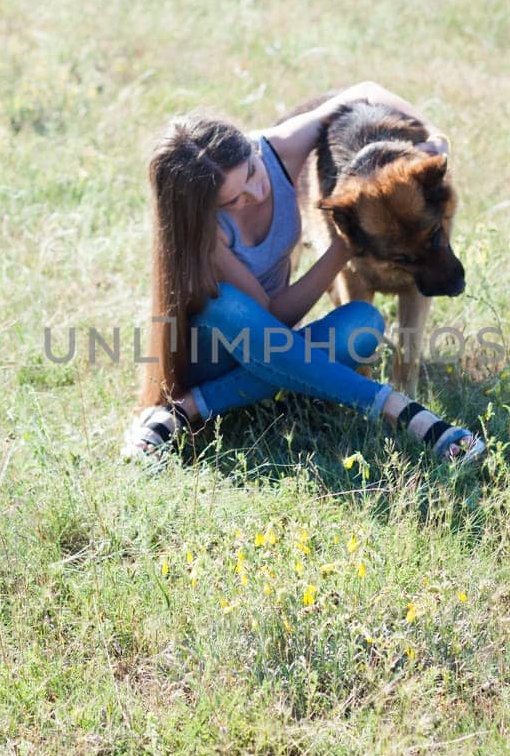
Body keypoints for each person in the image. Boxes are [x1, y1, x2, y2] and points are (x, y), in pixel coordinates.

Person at [120, 81, 488, 468]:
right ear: (207, 206)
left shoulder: (277, 151)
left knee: (363, 322)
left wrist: (435, 137)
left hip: (275, 348)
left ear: (251, 148)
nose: (256, 192)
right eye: (235, 199)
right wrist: (343, 248)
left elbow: (363, 91)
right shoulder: (207, 228)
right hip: (220, 352)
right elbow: (272, 316)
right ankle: (405, 413)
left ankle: (184, 410)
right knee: (227, 307)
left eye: (251, 171)